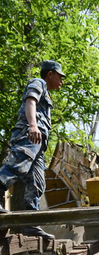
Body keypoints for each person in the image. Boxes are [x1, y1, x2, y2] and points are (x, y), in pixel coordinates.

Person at [0, 60, 65, 239]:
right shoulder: (39, 82)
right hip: (29, 135)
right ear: (50, 73)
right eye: (60, 76)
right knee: (16, 166)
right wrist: (33, 126)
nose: (62, 81)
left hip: (39, 144)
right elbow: (30, 101)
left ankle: (31, 222)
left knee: (37, 183)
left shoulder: (47, 93)